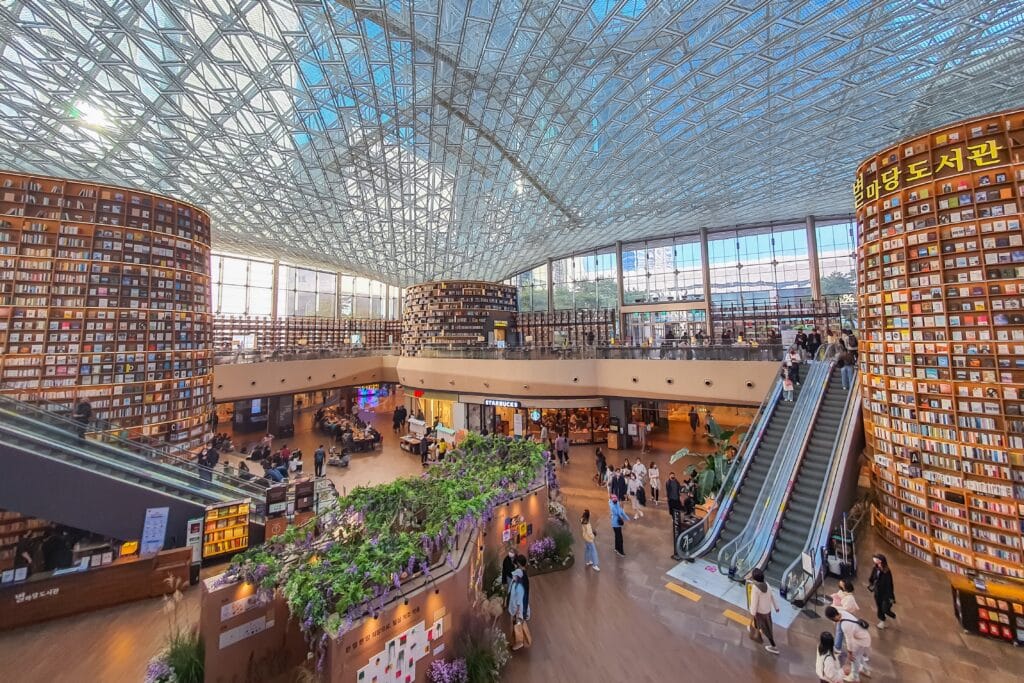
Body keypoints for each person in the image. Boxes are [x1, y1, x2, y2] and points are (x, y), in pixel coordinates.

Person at [825, 605, 872, 681]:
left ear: (833, 617)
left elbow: (849, 641)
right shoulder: (842, 613)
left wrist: (850, 653)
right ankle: (865, 670)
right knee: (859, 656)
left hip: (861, 641)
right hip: (864, 637)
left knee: (854, 659)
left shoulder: (845, 625)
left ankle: (854, 677)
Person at [748, 568, 780, 654]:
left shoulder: (755, 588)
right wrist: (776, 607)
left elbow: (754, 604)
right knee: (765, 626)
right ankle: (758, 634)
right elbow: (772, 596)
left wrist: (751, 617)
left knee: (767, 630)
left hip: (760, 613)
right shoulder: (767, 584)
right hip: (767, 611)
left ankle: (774, 647)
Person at [867, 553, 896, 629]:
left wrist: (891, 597)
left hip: (885, 594)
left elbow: (890, 585)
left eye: (877, 559)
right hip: (877, 592)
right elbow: (872, 577)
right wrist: (871, 583)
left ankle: (891, 614)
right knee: (879, 607)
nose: (875, 560)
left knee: (885, 608)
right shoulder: (875, 568)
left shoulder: (887, 572)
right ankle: (882, 621)